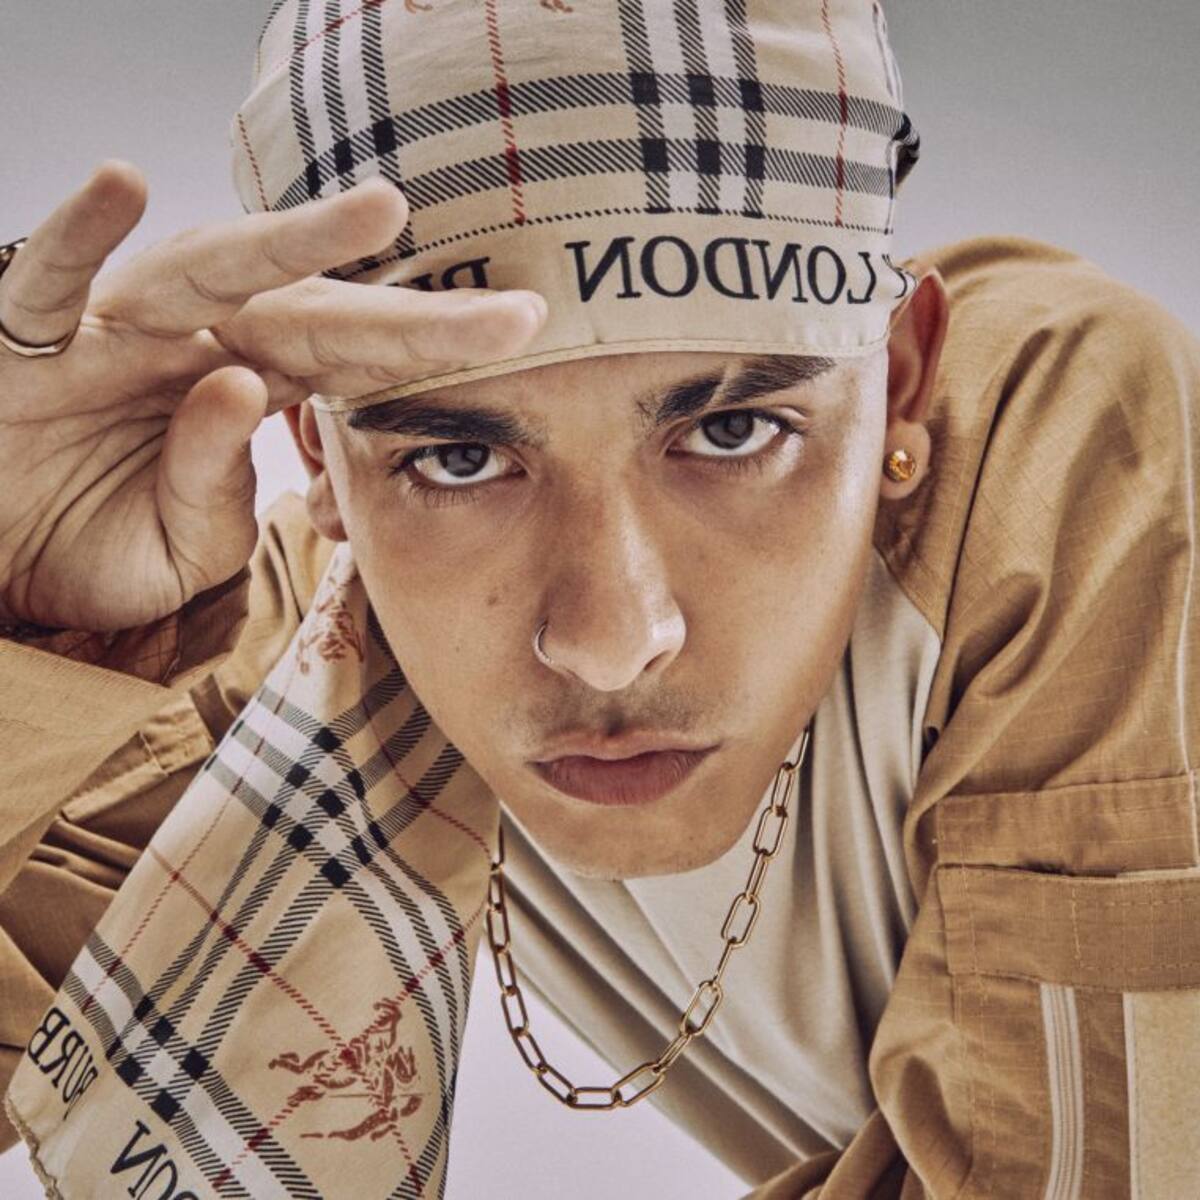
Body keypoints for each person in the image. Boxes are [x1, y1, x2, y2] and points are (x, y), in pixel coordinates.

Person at [1, 3, 1197, 1198]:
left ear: (899, 380)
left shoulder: (1067, 436)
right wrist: (22, 624)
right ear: (325, 463)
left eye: (732, 431)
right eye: (458, 459)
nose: (612, 642)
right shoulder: (327, 637)